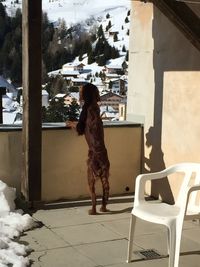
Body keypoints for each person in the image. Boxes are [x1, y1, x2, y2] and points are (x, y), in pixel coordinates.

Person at [66, 83, 110, 215]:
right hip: (102, 150)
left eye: (81, 92)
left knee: (91, 180)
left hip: (94, 152)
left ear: (85, 95)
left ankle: (94, 208)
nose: (79, 93)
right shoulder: (96, 108)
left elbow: (80, 128)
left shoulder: (87, 109)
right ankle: (103, 206)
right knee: (104, 179)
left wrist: (70, 123)